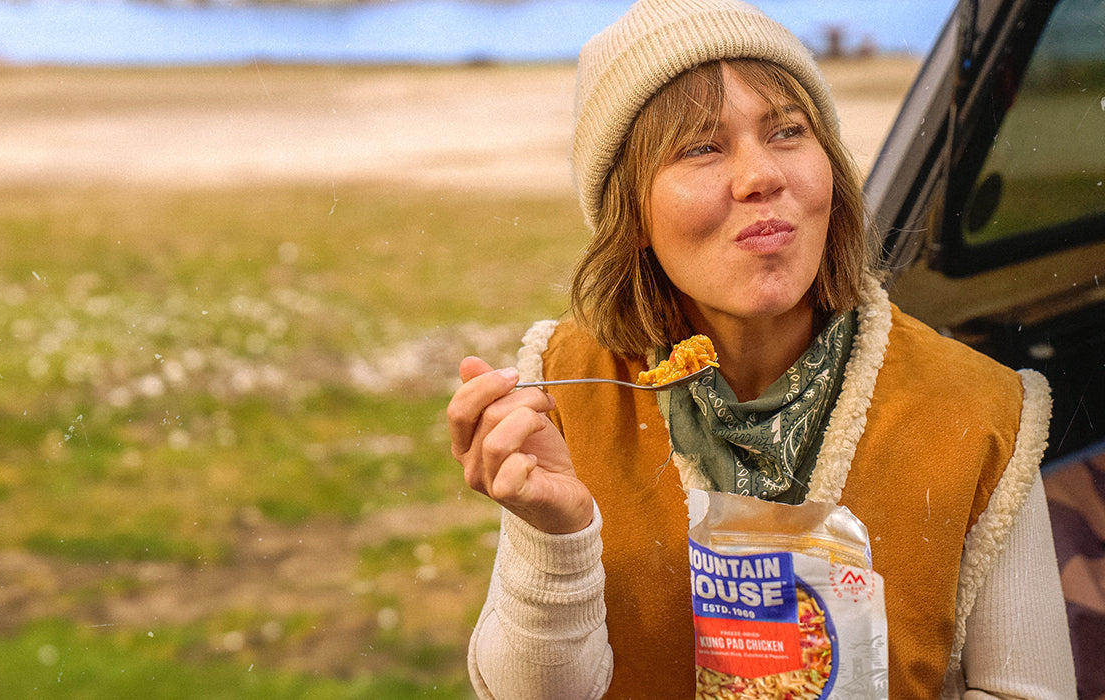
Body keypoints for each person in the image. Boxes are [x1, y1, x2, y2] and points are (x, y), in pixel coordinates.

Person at [445, 0, 1077, 697]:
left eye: (786, 132)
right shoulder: (563, 390)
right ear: (633, 217)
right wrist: (554, 539)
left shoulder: (981, 413)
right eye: (700, 147)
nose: (761, 176)